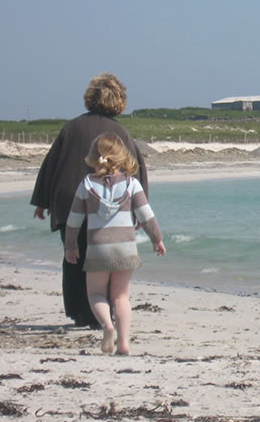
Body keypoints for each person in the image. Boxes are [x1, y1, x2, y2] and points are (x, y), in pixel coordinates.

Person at [31, 73, 148, 328]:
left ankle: (79, 313)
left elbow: (51, 166)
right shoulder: (119, 132)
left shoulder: (70, 128)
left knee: (73, 257)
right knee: (103, 260)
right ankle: (99, 316)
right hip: (106, 210)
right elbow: (135, 172)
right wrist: (139, 211)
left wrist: (42, 201)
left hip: (68, 201)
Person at [64, 132, 165, 355]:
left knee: (96, 294)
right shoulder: (132, 184)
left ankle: (107, 327)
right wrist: (156, 239)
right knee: (121, 296)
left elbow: (74, 220)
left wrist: (70, 245)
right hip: (125, 248)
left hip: (98, 249)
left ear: (94, 157)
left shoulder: (87, 184)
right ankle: (124, 342)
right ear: (122, 157)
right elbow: (147, 216)